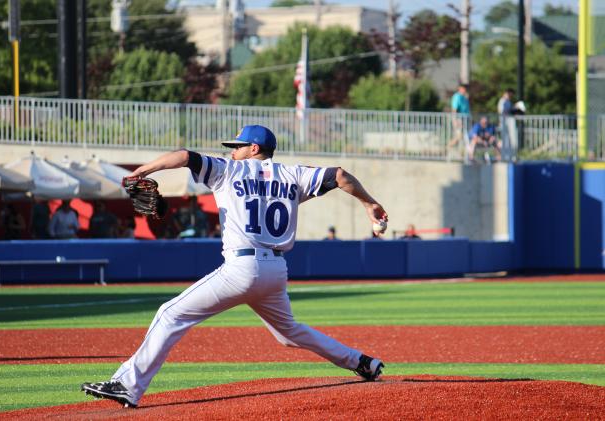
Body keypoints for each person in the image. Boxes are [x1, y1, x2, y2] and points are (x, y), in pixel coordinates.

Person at [81, 124, 388, 408]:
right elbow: (342, 176)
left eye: (238, 146)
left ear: (254, 149)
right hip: (275, 271)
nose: (232, 151)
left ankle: (127, 385)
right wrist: (369, 204)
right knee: (288, 333)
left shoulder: (230, 170)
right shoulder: (293, 175)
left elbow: (185, 156)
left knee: (170, 313)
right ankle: (362, 362)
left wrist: (143, 170)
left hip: (243, 268)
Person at [447, 84, 471, 149]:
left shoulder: (464, 97)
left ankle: (464, 154)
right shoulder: (457, 96)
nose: (465, 90)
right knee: (459, 136)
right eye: (464, 89)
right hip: (459, 119)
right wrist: (455, 120)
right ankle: (448, 147)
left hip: (465, 119)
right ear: (460, 89)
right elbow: (454, 109)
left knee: (465, 137)